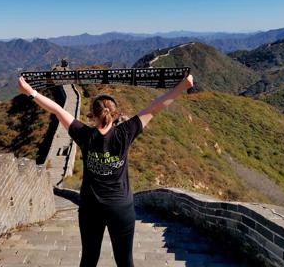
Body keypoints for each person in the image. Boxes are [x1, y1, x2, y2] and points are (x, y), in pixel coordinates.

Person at [18, 74, 194, 267]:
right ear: (116, 115)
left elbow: (58, 110)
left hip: (90, 208)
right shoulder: (125, 133)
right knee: (125, 261)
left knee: (89, 259)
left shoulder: (84, 135)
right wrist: (182, 86)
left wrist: (30, 92)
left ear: (92, 116)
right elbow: (155, 107)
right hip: (121, 207)